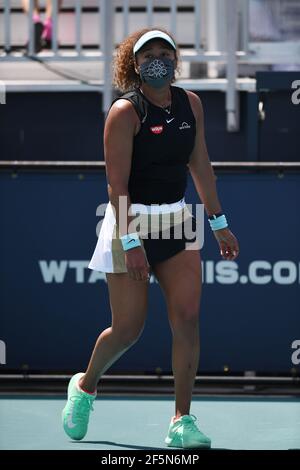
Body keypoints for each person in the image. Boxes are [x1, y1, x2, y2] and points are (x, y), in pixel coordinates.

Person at [62, 28, 239, 449]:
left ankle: (181, 420)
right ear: (135, 63)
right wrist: (131, 241)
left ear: (176, 59)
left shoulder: (190, 103)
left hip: (178, 221)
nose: (157, 59)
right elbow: (116, 187)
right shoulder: (124, 112)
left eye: (165, 52)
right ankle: (85, 387)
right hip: (131, 222)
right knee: (127, 330)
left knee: (188, 319)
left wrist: (219, 222)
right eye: (148, 55)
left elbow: (200, 165)